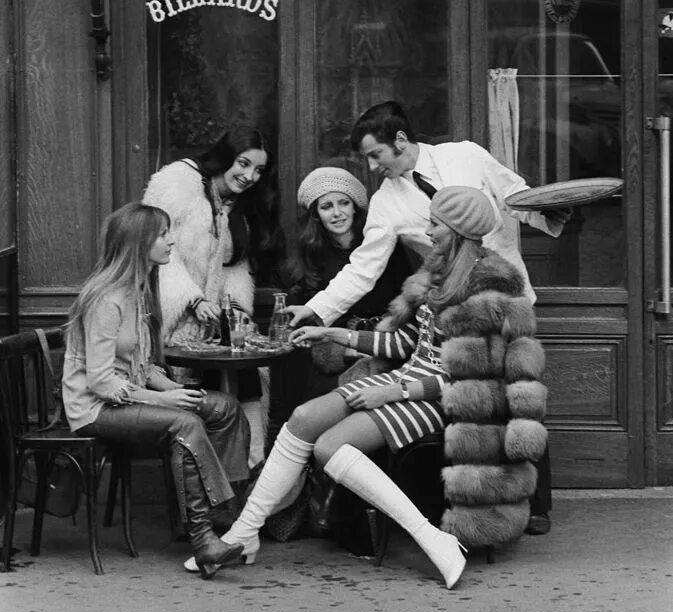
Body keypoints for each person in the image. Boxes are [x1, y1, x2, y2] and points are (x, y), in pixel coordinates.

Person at [185, 185, 546, 587]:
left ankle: (435, 541)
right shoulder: (437, 272)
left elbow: (472, 381)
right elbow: (404, 344)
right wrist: (334, 334)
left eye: (436, 224)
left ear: (459, 231)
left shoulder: (488, 288)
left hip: (447, 399)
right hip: (406, 379)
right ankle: (243, 534)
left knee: (328, 447)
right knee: (304, 418)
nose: (428, 231)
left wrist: (393, 393)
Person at [287, 100, 567, 536]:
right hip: (450, 304)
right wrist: (317, 308)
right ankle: (463, 502)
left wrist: (551, 214)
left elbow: (518, 196)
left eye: (375, 154)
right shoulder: (385, 202)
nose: (372, 165)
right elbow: (363, 266)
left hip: (503, 293)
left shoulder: (466, 155)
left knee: (519, 391)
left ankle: (535, 503)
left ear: (400, 140)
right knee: (469, 395)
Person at [61, 202, 250, 579]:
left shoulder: (140, 291)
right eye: (163, 235)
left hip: (128, 397)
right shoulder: (106, 300)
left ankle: (220, 518)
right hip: (94, 410)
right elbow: (101, 381)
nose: (171, 241)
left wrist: (177, 389)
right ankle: (203, 540)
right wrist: (166, 401)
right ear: (138, 243)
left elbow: (142, 365)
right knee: (183, 423)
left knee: (224, 407)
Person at [142, 126, 284, 468]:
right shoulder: (178, 182)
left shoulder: (236, 205)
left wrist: (235, 310)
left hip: (214, 318)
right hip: (175, 316)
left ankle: (251, 467)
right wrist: (192, 299)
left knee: (246, 375)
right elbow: (156, 249)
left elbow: (233, 266)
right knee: (200, 393)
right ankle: (203, 480)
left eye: (258, 170)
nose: (249, 176)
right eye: (243, 163)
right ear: (225, 157)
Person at [278, 166, 412, 409]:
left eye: (344, 203)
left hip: (387, 350)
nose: (337, 213)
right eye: (327, 207)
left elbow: (406, 301)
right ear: (316, 214)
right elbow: (308, 324)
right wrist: (347, 351)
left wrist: (378, 347)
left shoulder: (381, 247)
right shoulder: (310, 256)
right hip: (336, 354)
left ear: (355, 207)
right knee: (314, 403)